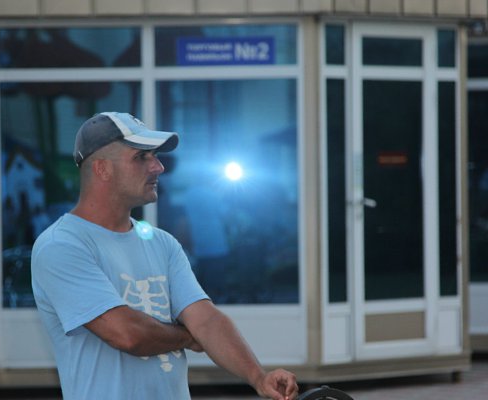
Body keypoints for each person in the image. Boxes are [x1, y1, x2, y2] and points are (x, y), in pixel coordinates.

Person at [31, 112, 299, 400]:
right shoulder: (62, 246)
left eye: (156, 157)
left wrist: (259, 378)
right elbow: (127, 334)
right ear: (102, 169)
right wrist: (188, 336)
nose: (158, 167)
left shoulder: (162, 243)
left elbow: (207, 320)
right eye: (141, 157)